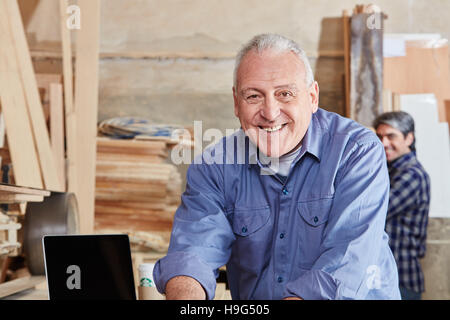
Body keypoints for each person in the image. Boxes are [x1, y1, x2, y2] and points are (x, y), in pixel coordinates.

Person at [153, 33, 400, 300]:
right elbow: (193, 252)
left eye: (285, 94)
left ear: (312, 97)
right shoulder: (214, 166)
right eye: (254, 96)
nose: (270, 112)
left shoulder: (356, 151)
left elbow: (347, 259)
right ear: (237, 103)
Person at [373, 112, 430, 300]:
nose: (383, 143)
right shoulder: (391, 171)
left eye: (391, 136)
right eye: (379, 136)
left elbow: (375, 208)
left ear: (409, 138)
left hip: (401, 278)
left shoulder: (412, 174)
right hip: (385, 277)